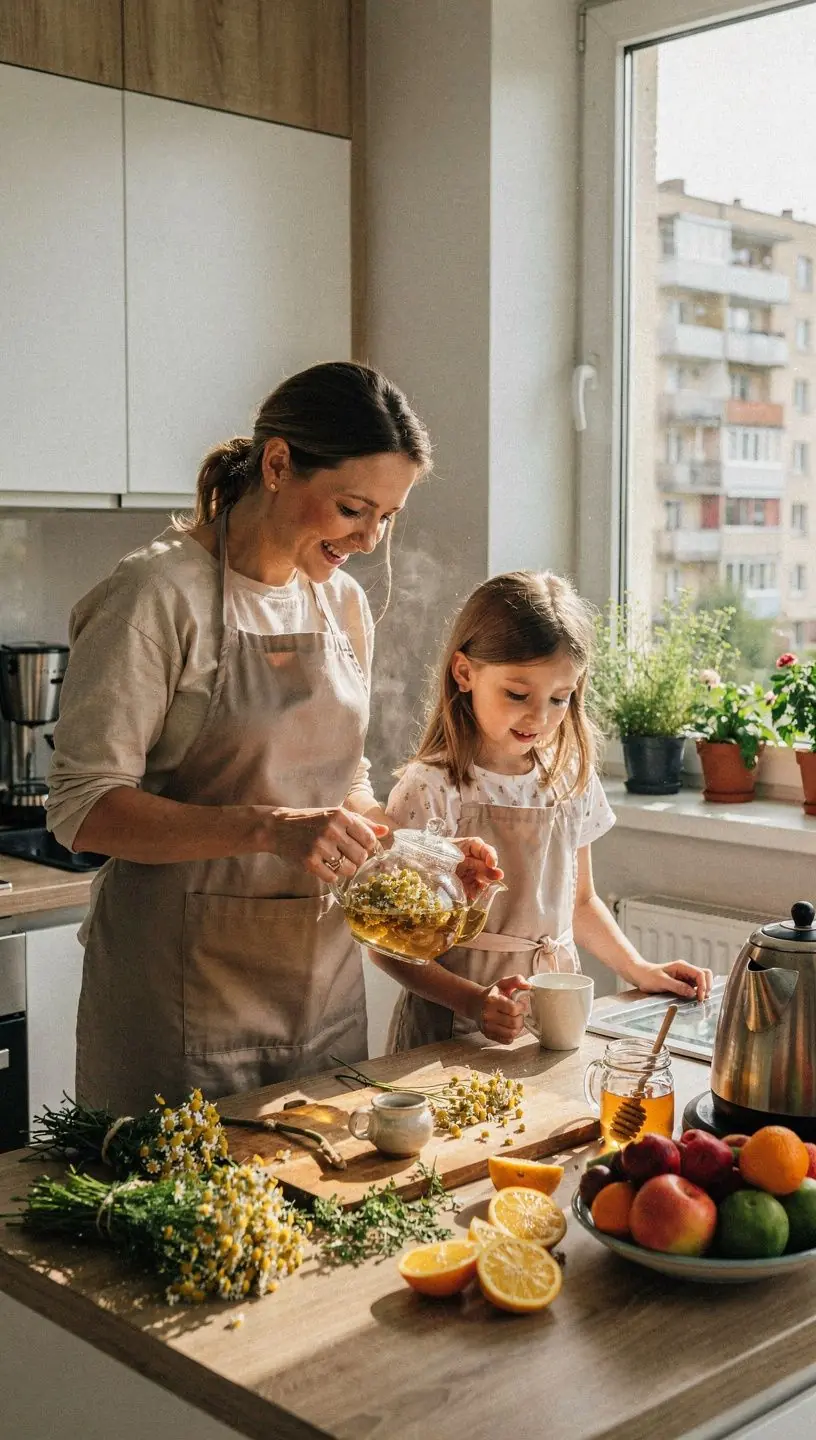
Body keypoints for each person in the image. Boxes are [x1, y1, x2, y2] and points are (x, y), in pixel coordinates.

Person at [47, 362, 498, 1113]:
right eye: (353, 509)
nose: (369, 539)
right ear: (279, 464)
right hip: (182, 993)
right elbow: (83, 809)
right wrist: (267, 828)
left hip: (320, 992)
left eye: (387, 518)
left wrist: (419, 856)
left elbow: (341, 784)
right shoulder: (156, 595)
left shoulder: (341, 602)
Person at [375, 571, 713, 1051]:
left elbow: (581, 903)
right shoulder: (431, 786)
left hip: (553, 1013)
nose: (540, 717)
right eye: (518, 694)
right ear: (464, 673)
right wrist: (473, 1001)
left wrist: (639, 969)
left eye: (559, 698)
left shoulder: (569, 775)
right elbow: (389, 946)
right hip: (452, 1026)